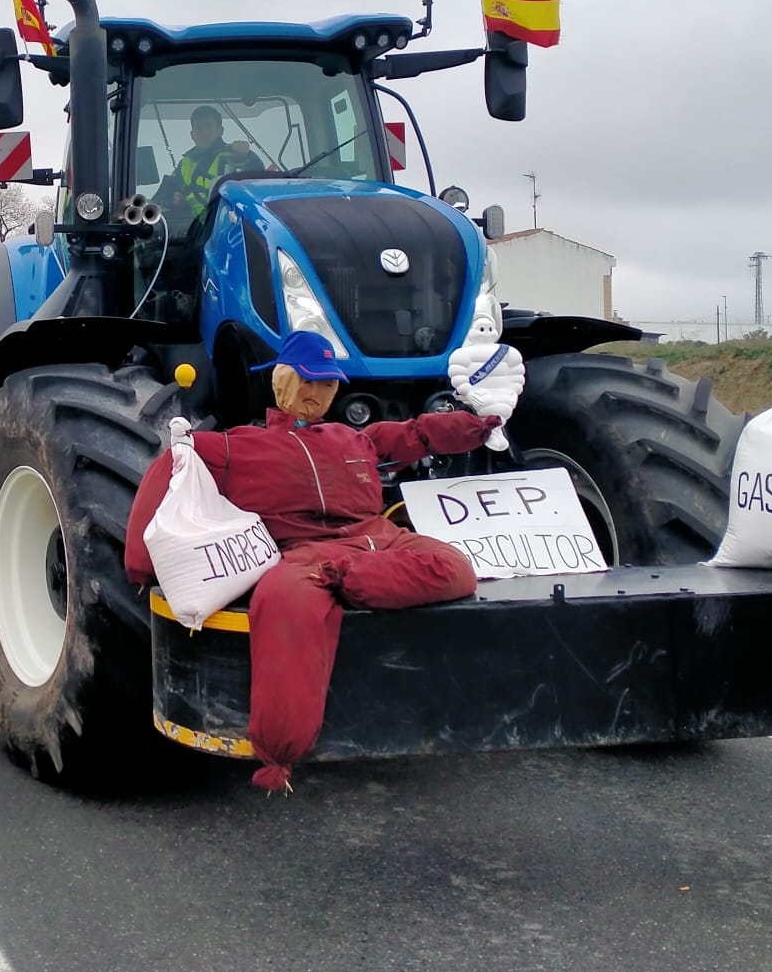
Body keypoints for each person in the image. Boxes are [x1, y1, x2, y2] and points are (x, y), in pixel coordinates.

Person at [124, 329, 495, 791]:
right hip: (305, 552)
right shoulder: (238, 446)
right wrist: (141, 564)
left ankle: (353, 581)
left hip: (378, 539)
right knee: (282, 598)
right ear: (283, 383)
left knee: (454, 566)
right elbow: (175, 463)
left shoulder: (349, 439)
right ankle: (281, 750)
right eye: (309, 383)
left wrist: (477, 426)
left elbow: (415, 434)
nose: (318, 395)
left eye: (327, 385)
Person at [162, 105, 264, 220]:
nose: (204, 132)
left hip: (226, 223)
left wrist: (243, 156)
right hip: (191, 226)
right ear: (192, 135)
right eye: (199, 128)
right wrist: (177, 200)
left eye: (208, 126)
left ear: (220, 131)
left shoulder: (234, 156)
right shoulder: (184, 164)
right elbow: (170, 196)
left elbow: (256, 182)